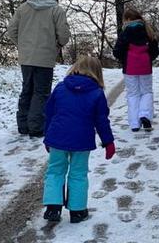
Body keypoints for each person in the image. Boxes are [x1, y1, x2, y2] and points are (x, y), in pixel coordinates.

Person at [42, 56, 116, 223]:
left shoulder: (60, 88)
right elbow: (102, 121)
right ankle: (77, 210)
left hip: (57, 139)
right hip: (82, 142)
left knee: (55, 170)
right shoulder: (97, 93)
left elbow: (49, 114)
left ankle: (53, 208)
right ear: (98, 72)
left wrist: (48, 136)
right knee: (78, 174)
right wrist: (108, 142)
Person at [6, 0, 70, 137]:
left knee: (26, 90)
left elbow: (11, 30)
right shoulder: (56, 10)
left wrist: (22, 45)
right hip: (45, 57)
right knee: (41, 92)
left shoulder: (23, 8)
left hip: (26, 57)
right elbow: (64, 34)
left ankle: (23, 125)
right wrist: (57, 45)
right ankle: (36, 127)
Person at [112, 8, 159, 132]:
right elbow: (155, 51)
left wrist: (125, 59)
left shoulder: (125, 32)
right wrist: (148, 59)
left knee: (132, 94)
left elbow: (117, 51)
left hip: (130, 68)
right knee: (147, 92)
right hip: (145, 67)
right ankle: (145, 115)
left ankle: (134, 123)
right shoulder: (148, 31)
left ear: (127, 19)